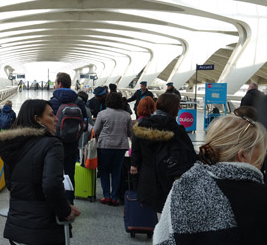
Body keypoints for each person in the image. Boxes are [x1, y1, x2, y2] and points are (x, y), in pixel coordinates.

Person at [154, 115, 267, 245]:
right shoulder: (261, 197)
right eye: (261, 149)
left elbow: (162, 238)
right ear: (243, 155)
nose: (264, 154)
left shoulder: (184, 186)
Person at [0, 99, 81, 245]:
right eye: (51, 115)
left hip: (16, 227)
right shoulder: (52, 144)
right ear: (37, 119)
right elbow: (51, 185)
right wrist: (65, 211)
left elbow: (10, 183)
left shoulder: (11, 145)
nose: (56, 119)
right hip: (44, 230)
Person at [130, 93, 196, 213]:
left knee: (152, 213)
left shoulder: (141, 126)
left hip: (147, 178)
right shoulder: (176, 130)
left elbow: (135, 152)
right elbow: (188, 157)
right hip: (169, 179)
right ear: (173, 108)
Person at [49, 72, 88, 204]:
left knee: (54, 173)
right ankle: (70, 201)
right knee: (70, 173)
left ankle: (57, 202)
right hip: (72, 143)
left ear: (59, 84)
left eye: (55, 83)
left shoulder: (53, 102)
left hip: (55, 144)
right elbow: (85, 123)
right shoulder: (79, 102)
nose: (54, 85)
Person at [94, 92, 132, 205]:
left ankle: (106, 196)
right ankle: (114, 197)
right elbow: (130, 132)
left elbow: (95, 131)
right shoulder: (126, 115)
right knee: (116, 171)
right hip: (121, 146)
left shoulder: (102, 114)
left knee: (104, 171)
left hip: (105, 146)